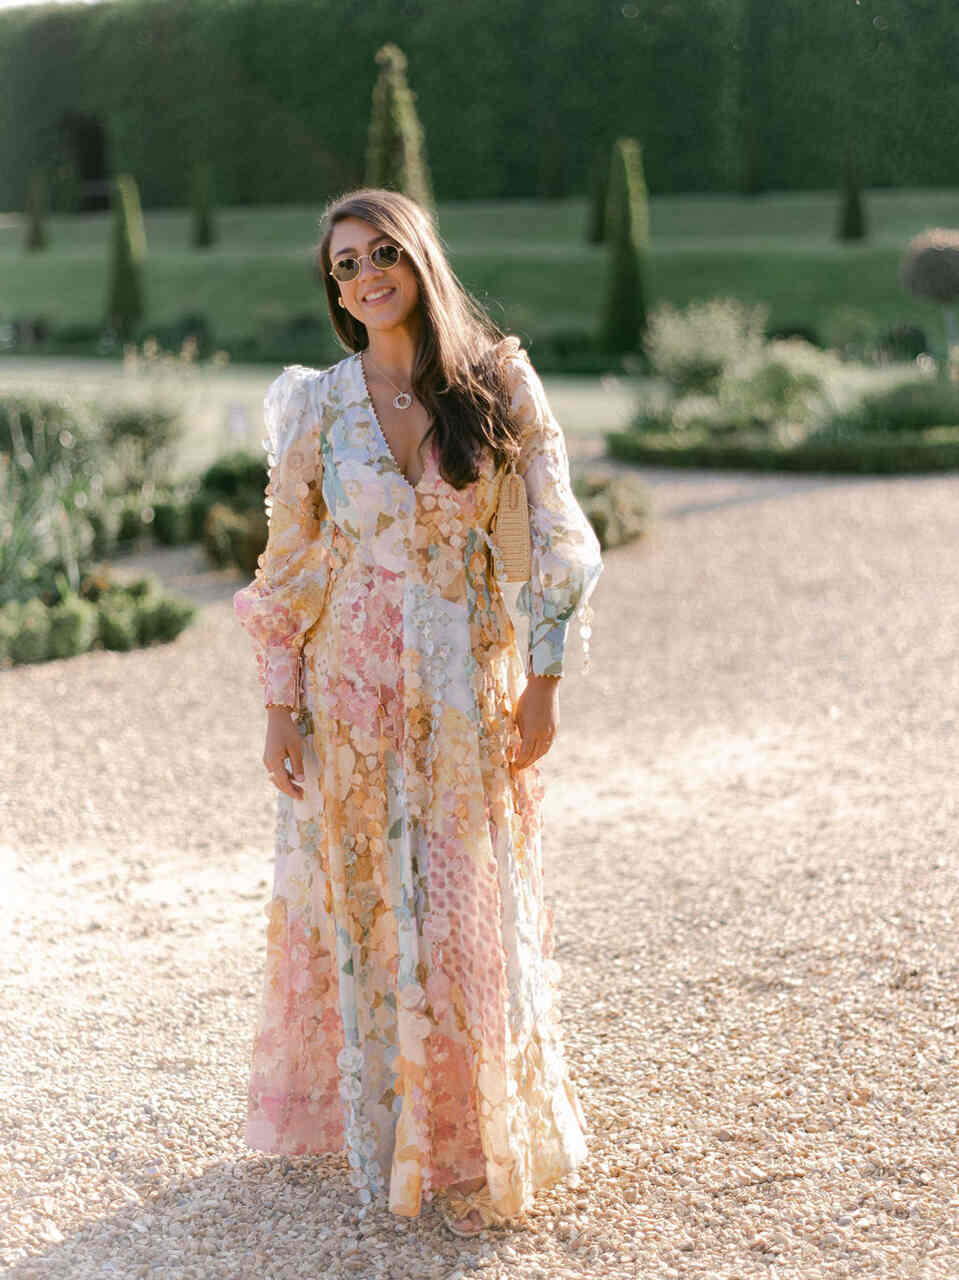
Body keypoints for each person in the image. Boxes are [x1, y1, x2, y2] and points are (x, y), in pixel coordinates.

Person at [232, 187, 603, 1238]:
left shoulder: (495, 383)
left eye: (382, 251)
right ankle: (387, 1129)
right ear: (336, 290)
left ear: (419, 257)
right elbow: (292, 563)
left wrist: (544, 680)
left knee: (461, 902)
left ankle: (468, 1130)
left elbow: (559, 539)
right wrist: (278, 705)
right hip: (348, 689)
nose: (364, 275)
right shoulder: (318, 403)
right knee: (366, 904)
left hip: (459, 689)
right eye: (344, 265)